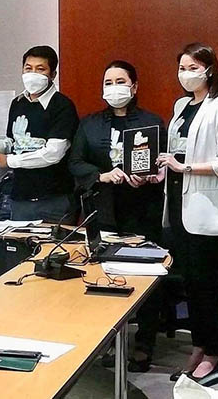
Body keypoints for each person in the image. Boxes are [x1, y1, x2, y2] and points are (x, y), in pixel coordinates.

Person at [68, 60, 165, 372]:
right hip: (104, 210)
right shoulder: (90, 123)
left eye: (120, 81)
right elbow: (75, 162)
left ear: (134, 86)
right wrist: (102, 175)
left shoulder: (152, 122)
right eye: (108, 82)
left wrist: (148, 176)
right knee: (104, 275)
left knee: (145, 277)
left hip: (143, 209)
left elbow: (162, 166)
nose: (114, 88)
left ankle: (144, 342)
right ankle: (107, 340)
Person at [157, 43, 218, 381]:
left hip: (206, 207)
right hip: (177, 204)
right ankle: (198, 346)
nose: (186, 74)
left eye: (193, 68)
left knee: (206, 285)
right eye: (182, 68)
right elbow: (174, 150)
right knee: (189, 283)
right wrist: (164, 169)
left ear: (209, 70)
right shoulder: (180, 106)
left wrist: (183, 167)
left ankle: (215, 352)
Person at [0, 45, 79, 223]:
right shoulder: (18, 103)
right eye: (28, 68)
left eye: (40, 69)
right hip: (20, 198)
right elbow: (14, 141)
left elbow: (53, 154)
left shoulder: (62, 106)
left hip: (54, 199)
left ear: (53, 74)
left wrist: (9, 161)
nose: (33, 74)